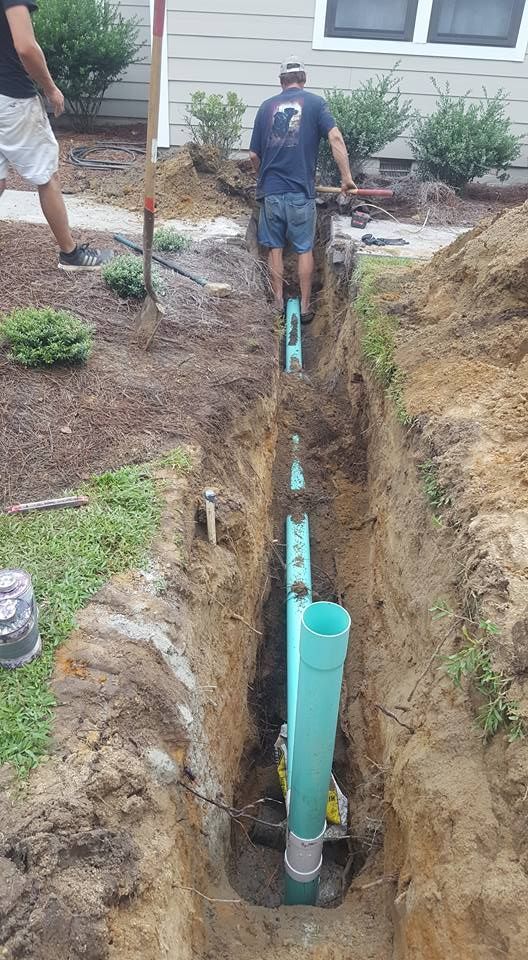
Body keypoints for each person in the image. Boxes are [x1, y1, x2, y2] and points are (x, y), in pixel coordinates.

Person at [0, 0, 112, 269]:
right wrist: (50, 88)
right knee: (47, 176)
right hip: (11, 98)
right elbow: (26, 47)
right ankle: (71, 254)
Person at [249, 57, 354, 324]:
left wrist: (263, 176)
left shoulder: (265, 107)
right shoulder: (316, 104)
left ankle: (277, 303)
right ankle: (305, 308)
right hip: (300, 193)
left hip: (272, 192)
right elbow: (335, 138)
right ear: (304, 79)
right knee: (304, 249)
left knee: (274, 249)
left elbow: (253, 155)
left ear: (281, 82)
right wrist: (347, 178)